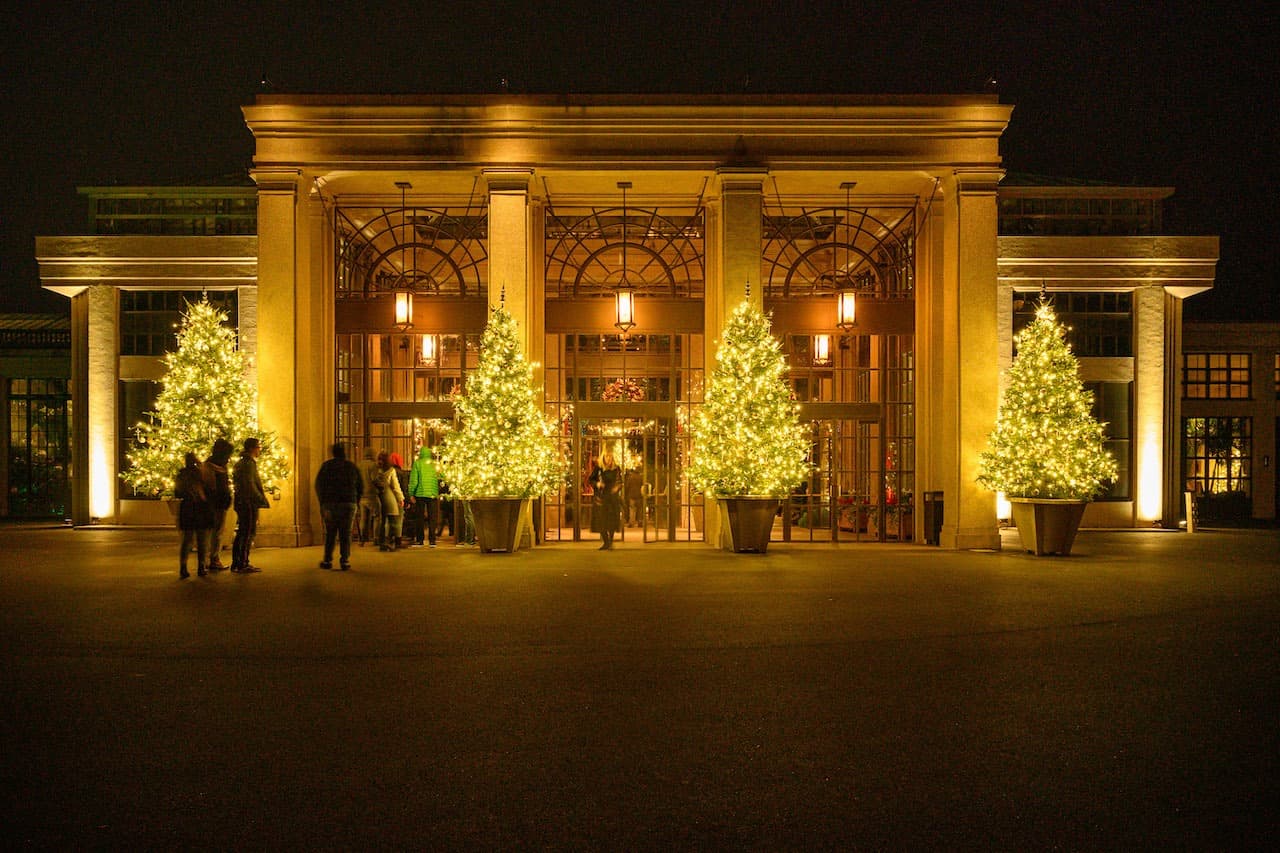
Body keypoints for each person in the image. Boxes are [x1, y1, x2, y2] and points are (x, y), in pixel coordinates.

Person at [315, 442, 362, 571]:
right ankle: (345, 560)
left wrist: (322, 503)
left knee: (330, 532)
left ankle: (327, 559)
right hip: (348, 503)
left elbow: (319, 485)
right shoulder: (351, 467)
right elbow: (360, 486)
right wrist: (356, 501)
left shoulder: (326, 466)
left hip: (330, 503)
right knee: (346, 533)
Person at [231, 437, 270, 573]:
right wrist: (259, 498)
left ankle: (237, 562)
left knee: (243, 531)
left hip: (243, 501)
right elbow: (250, 484)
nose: (259, 450)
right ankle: (242, 562)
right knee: (247, 532)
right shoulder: (248, 464)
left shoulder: (242, 463)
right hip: (248, 502)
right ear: (252, 448)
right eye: (258, 447)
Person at [174, 451, 215, 579]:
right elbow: (209, 489)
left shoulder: (181, 475)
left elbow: (177, 492)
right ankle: (201, 566)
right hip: (200, 508)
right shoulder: (200, 474)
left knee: (187, 540)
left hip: (187, 508)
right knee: (202, 539)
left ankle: (183, 567)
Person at [202, 438, 234, 571]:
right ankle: (212, 559)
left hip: (220, 503)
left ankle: (212, 558)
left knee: (216, 532)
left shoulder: (220, 466)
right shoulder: (210, 467)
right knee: (213, 532)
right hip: (214, 504)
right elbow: (210, 487)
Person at [588, 448, 623, 549]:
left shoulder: (616, 469)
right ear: (603, 457)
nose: (608, 458)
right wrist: (597, 484)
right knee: (601, 521)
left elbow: (620, 481)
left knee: (611, 521)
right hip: (601, 498)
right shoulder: (599, 468)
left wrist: (617, 487)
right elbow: (591, 479)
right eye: (606, 456)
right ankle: (606, 541)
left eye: (610, 456)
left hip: (612, 498)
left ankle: (610, 541)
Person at [407, 446, 441, 547]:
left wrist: (411, 493)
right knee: (432, 517)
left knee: (420, 517)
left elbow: (414, 480)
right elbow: (441, 476)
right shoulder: (435, 464)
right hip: (432, 493)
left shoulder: (417, 463)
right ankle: (432, 541)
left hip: (420, 493)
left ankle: (420, 540)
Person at [373, 450, 404, 551]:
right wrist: (400, 498)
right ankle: (390, 542)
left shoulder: (375, 470)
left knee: (382, 521)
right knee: (392, 521)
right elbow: (395, 486)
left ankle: (382, 542)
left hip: (378, 497)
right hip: (388, 497)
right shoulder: (391, 470)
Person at [357, 447, 380, 547]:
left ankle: (362, 539)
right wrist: (381, 486)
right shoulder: (373, 465)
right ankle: (376, 538)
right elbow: (374, 479)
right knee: (377, 516)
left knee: (363, 518)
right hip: (371, 494)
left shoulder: (359, 465)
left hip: (362, 495)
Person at [389, 452, 411, 548]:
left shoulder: (387, 472)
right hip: (398, 499)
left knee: (388, 520)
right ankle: (398, 540)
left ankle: (388, 539)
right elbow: (404, 488)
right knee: (399, 520)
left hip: (388, 499)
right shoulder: (402, 473)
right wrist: (406, 501)